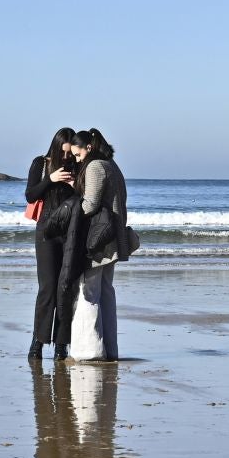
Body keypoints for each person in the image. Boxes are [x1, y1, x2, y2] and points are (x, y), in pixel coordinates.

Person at [61, 128, 128, 361]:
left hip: (98, 239)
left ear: (88, 148)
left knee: (89, 292)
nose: (78, 160)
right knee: (106, 293)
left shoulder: (95, 166)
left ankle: (90, 351)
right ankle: (109, 349)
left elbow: (90, 205)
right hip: (112, 237)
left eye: (78, 155)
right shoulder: (112, 165)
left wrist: (69, 205)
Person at [23, 129, 77, 358]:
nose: (66, 158)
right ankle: (38, 342)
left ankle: (61, 345)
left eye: (69, 154)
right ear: (55, 147)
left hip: (71, 232)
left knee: (65, 289)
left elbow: (85, 199)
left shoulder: (77, 165)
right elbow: (30, 195)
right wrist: (50, 179)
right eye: (62, 153)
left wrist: (75, 185)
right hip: (46, 232)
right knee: (47, 288)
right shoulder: (41, 163)